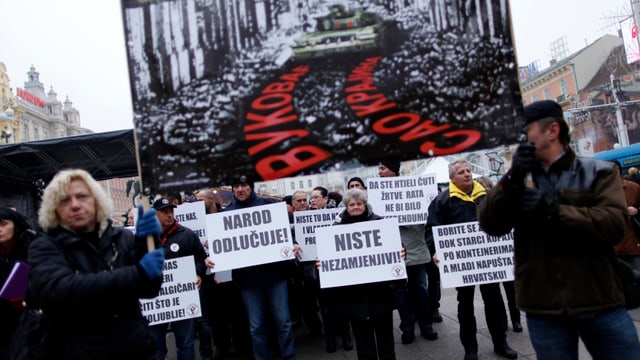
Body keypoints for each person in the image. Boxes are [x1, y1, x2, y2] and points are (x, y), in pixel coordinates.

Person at [478, 100, 640, 359]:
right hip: (544, 306)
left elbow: (614, 225)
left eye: (525, 131)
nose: (519, 139)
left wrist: (554, 210)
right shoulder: (519, 180)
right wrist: (510, 180)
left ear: (552, 131)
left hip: (599, 299)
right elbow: (490, 224)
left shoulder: (597, 171)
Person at [27, 169, 165, 359]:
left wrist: (146, 243)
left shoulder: (121, 237)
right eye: (64, 200)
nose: (75, 205)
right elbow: (60, 291)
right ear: (54, 209)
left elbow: (150, 289)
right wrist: (137, 273)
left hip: (133, 349)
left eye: (82, 196)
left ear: (96, 200)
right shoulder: (44, 246)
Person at [427, 160, 516, 360]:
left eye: (468, 171)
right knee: (465, 305)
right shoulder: (442, 201)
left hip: (488, 262)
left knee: (494, 301)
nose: (467, 174)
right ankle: (470, 349)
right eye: (461, 172)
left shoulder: (487, 196)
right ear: (451, 178)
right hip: (461, 265)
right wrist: (435, 251)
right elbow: (432, 230)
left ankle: (500, 342)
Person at [206, 175, 295, 360]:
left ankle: (288, 357)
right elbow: (223, 248)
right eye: (236, 186)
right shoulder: (225, 215)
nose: (240, 189)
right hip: (248, 281)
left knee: (284, 322)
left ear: (251, 187)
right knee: (256, 327)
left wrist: (293, 243)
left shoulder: (269, 205)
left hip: (275, 275)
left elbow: (284, 233)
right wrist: (215, 262)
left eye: (244, 185)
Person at [321, 188, 399, 359]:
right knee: (363, 344)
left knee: (386, 340)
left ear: (365, 205)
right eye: (351, 204)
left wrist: (401, 253)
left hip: (380, 294)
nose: (355, 207)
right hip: (353, 298)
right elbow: (331, 259)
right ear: (346, 207)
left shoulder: (381, 223)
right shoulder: (335, 230)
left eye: (359, 204)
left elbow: (395, 249)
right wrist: (323, 264)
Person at [378, 160, 437, 344]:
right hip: (394, 254)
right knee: (401, 294)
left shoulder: (413, 188)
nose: (379, 171)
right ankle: (407, 328)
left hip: (417, 250)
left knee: (421, 290)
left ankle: (426, 325)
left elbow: (428, 216)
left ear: (393, 171)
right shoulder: (378, 194)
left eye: (383, 168)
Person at [148, 197, 208, 360]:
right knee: (156, 346)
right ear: (156, 214)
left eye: (171, 211)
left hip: (181, 299)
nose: (169, 215)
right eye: (164, 212)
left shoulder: (187, 234)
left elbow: (201, 258)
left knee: (185, 343)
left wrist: (197, 273)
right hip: (156, 302)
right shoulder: (147, 239)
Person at [473, 177, 521, 332]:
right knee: (497, 294)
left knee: (510, 290)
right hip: (489, 254)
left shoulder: (501, 200)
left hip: (504, 252)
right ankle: (507, 321)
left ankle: (515, 319)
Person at [0, 208, 35, 360]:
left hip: (29, 320)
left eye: (3, 224)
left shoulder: (34, 246)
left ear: (16, 225)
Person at [616, 177, 640, 272]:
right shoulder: (598, 191)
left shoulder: (633, 187)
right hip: (613, 247)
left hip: (633, 243)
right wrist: (623, 211)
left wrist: (636, 210)